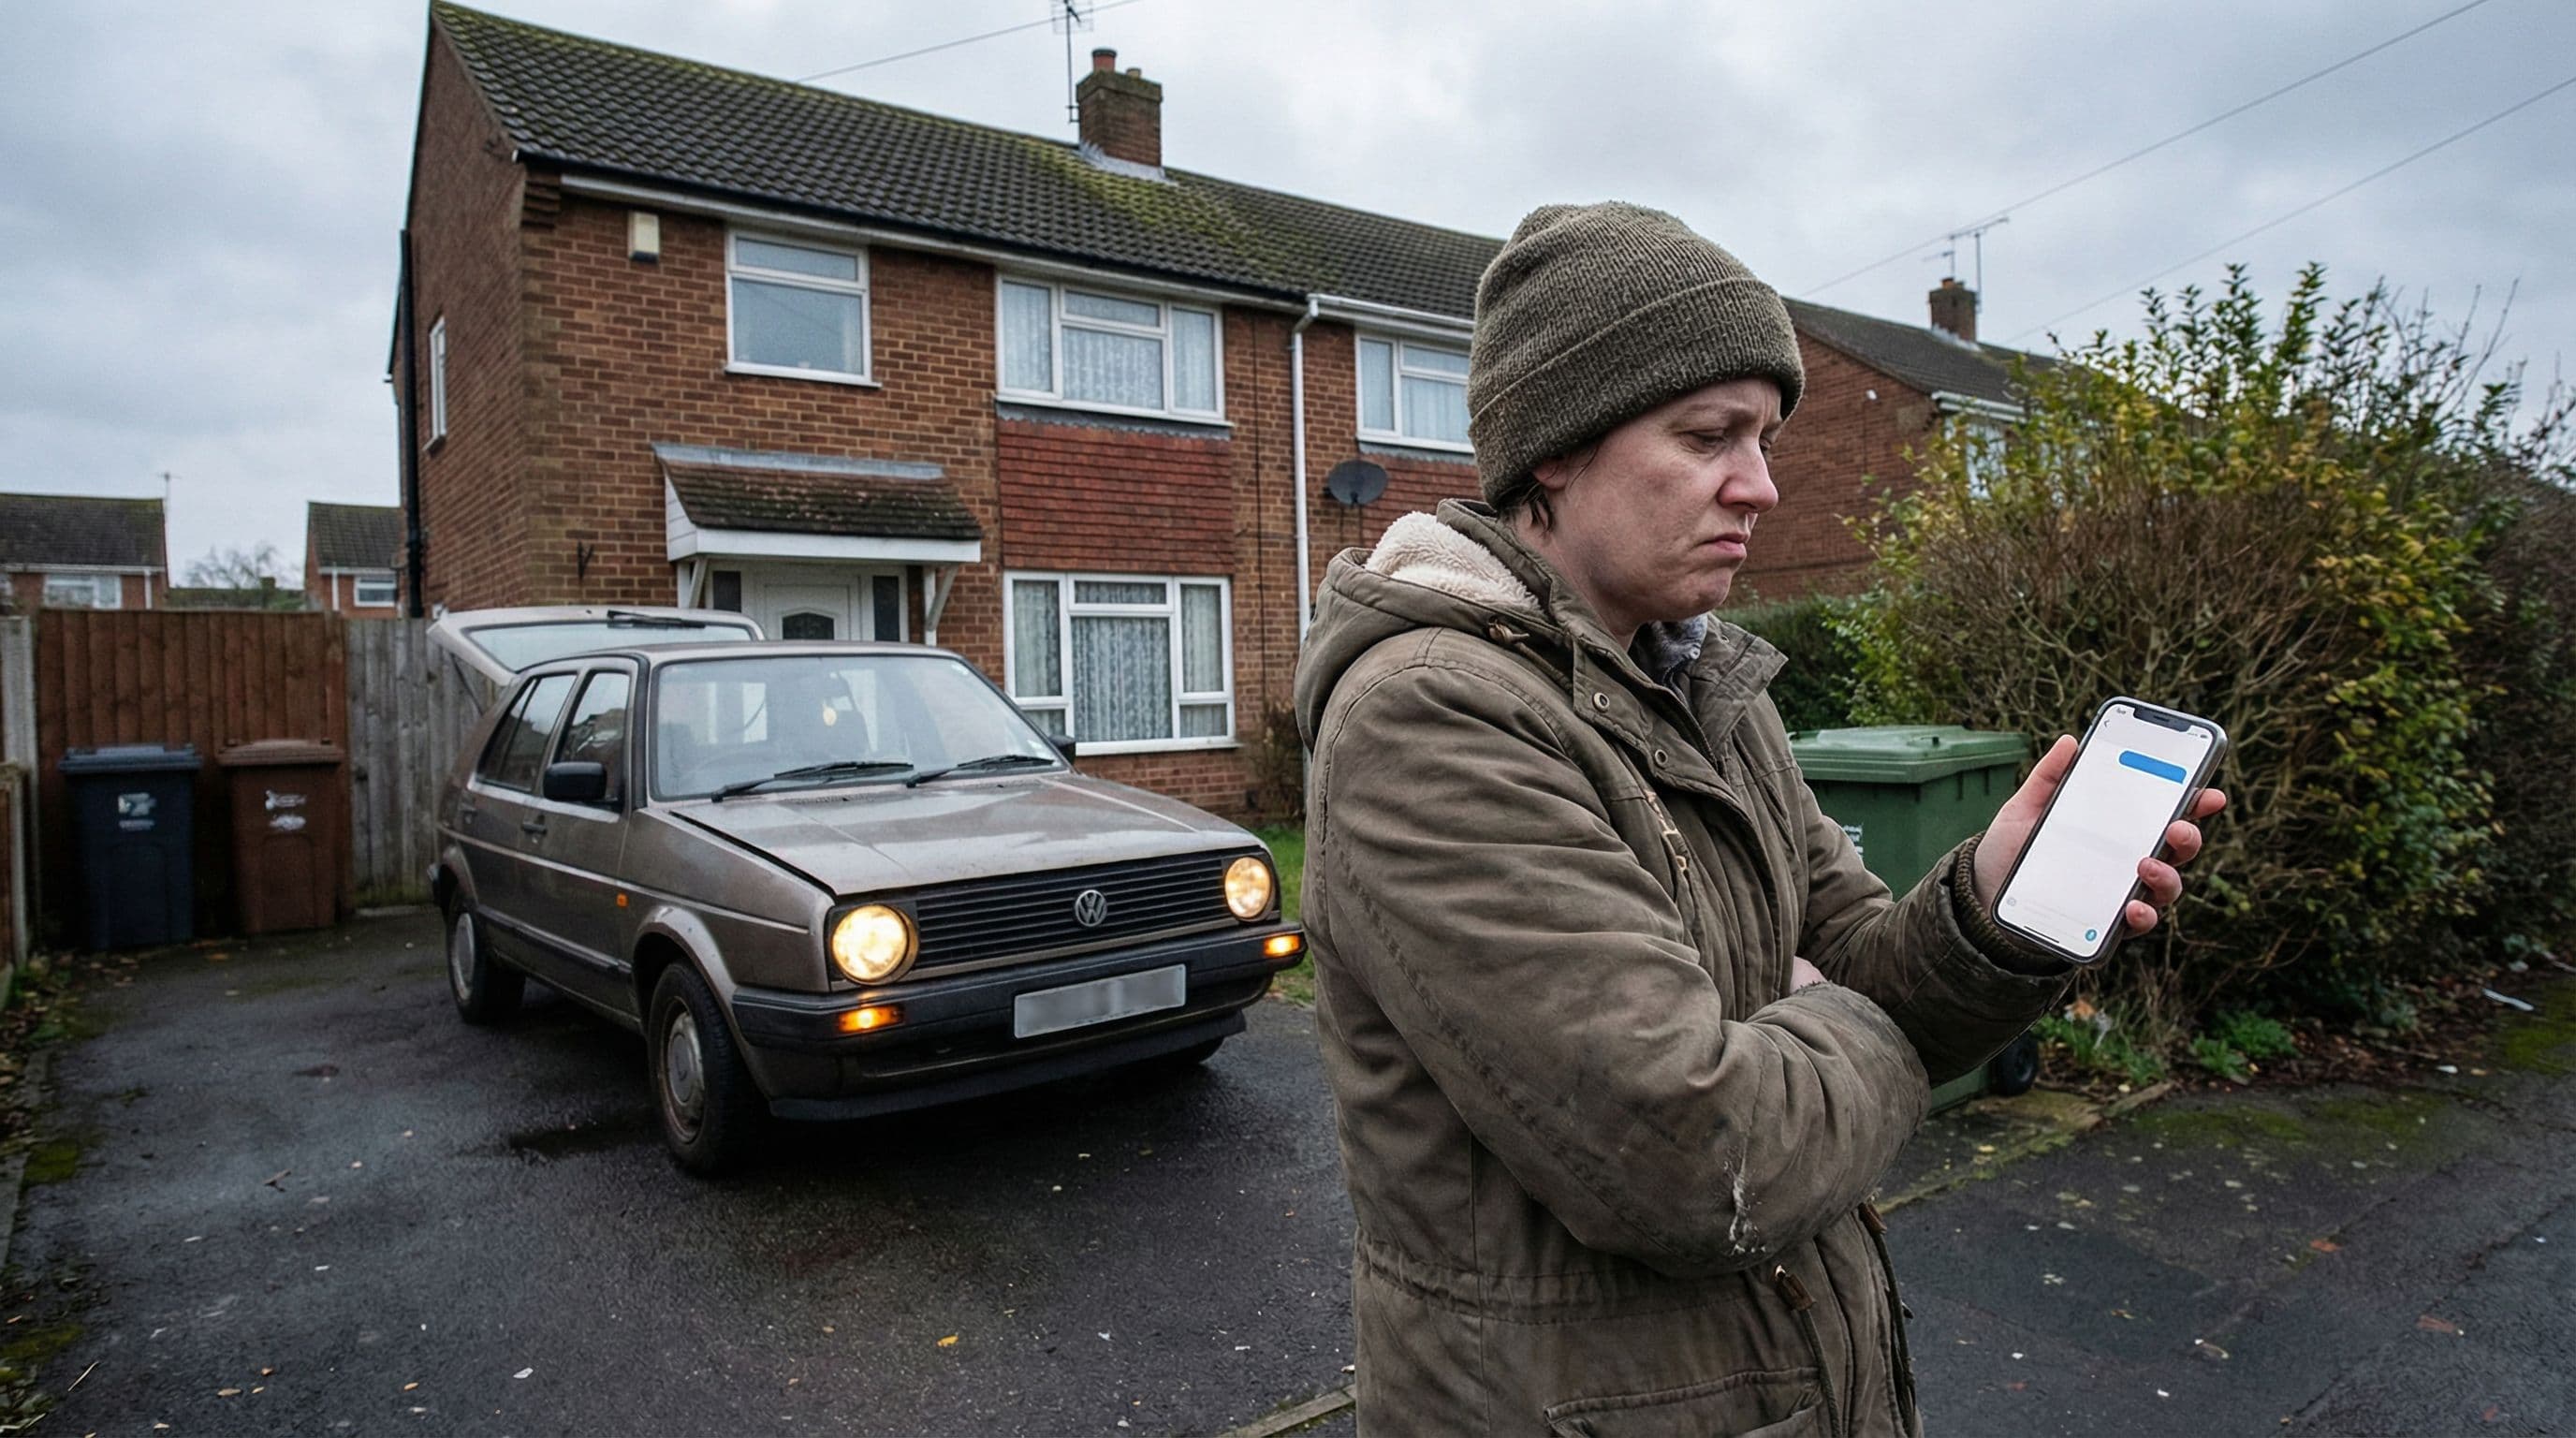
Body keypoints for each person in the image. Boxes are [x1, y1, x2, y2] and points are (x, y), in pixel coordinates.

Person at [1291, 201, 2224, 1438]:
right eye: (1710, 435)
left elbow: (1859, 965)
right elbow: (1689, 1158)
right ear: (1556, 450)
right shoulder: (1431, 720)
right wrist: (1850, 1026)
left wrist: (1991, 911)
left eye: (1768, 436)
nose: (1763, 485)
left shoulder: (1702, 688)